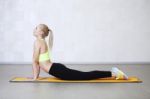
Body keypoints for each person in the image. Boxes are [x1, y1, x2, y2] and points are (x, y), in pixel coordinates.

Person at [31, 24, 128, 81]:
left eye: (36, 28)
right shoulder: (41, 42)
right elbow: (37, 63)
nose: (34, 29)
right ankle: (113, 73)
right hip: (56, 68)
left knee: (85, 76)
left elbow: (35, 62)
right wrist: (36, 77)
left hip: (57, 70)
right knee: (84, 75)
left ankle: (114, 73)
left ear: (41, 33)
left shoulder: (38, 42)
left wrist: (35, 78)